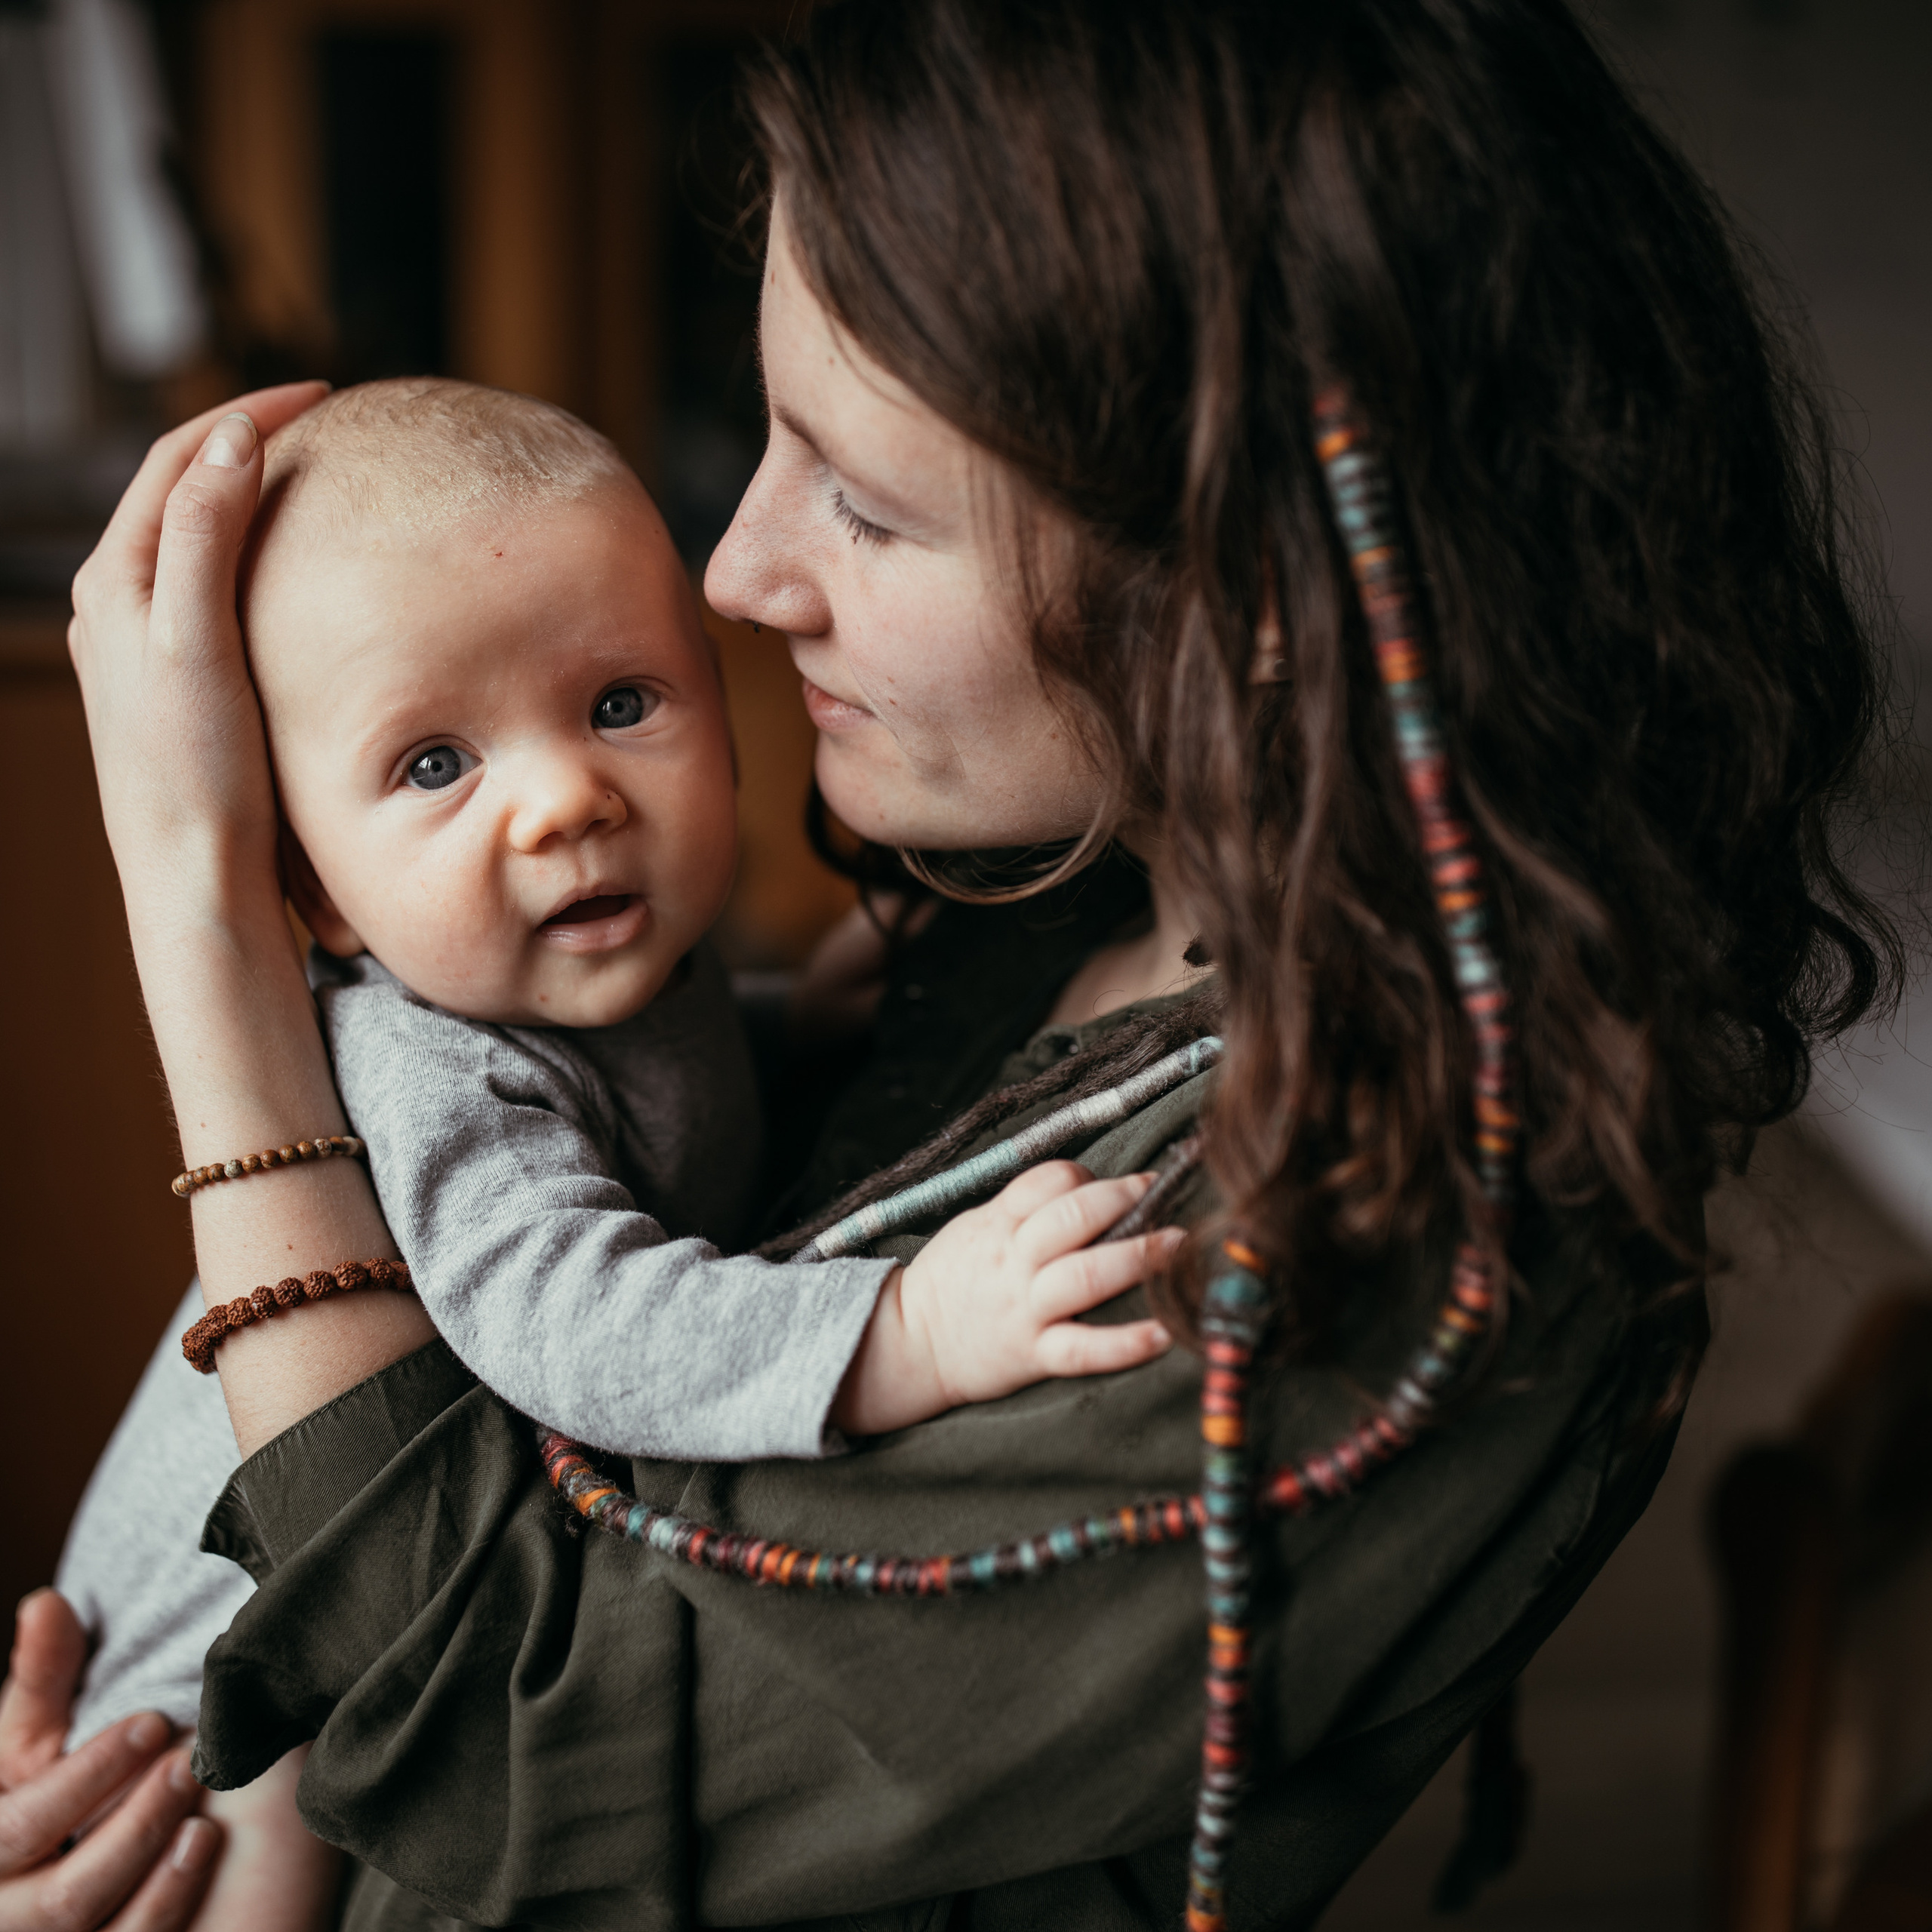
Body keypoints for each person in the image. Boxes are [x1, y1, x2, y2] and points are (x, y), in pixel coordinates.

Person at [8, 0, 1901, 1925]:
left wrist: (206, 912)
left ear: (1248, 586)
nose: (737, 570)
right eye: (767, 438)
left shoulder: (1362, 1257)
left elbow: (502, 1736)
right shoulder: (1040, 888)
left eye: (865, 497)